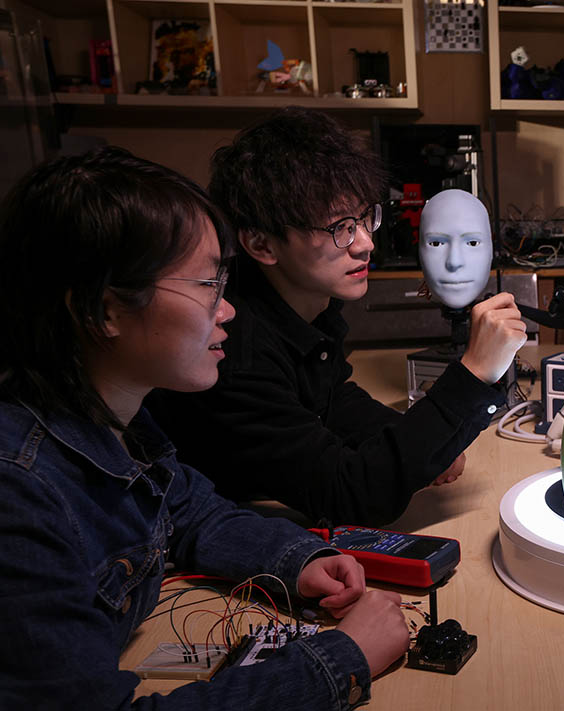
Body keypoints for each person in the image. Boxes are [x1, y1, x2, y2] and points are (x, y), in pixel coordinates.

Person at [0, 147, 409, 708]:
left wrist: (299, 561)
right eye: (207, 286)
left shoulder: (115, 418)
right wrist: (340, 658)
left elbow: (188, 508)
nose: (228, 311)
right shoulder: (19, 494)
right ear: (103, 312)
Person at [148, 107, 527, 526]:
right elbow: (352, 497)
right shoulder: (234, 349)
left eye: (366, 218)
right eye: (339, 228)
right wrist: (472, 374)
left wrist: (425, 438)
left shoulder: (305, 301)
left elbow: (330, 399)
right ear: (261, 243)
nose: (365, 243)